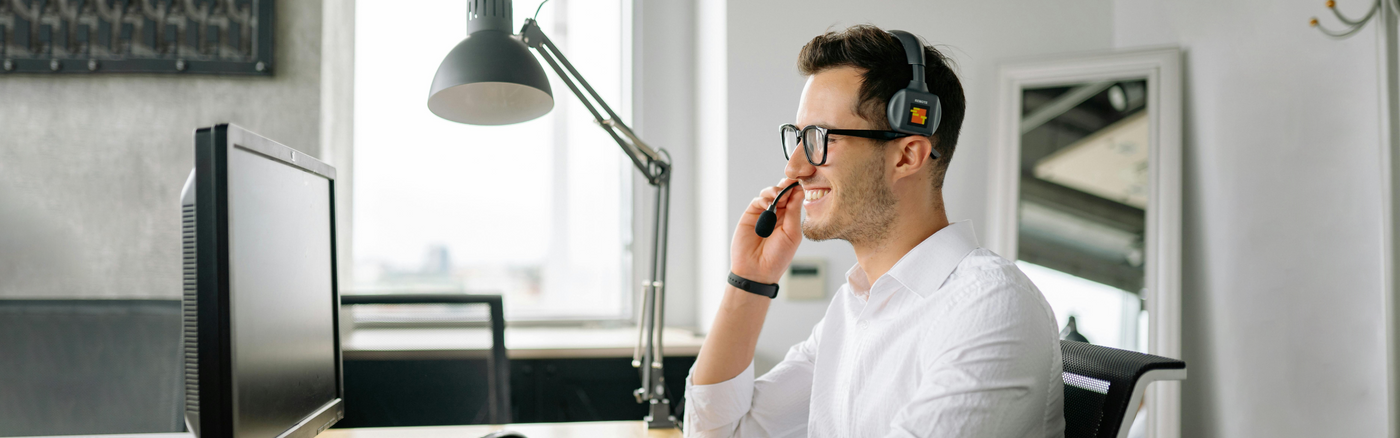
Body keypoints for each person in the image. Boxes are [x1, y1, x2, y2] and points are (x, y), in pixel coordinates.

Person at [683, 25, 1065, 438]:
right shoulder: (856, 307)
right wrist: (750, 280)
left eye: (820, 138)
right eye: (798, 137)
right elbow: (721, 432)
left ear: (906, 156)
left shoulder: (989, 307)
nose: (795, 167)